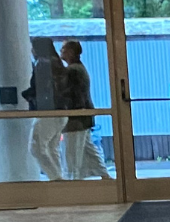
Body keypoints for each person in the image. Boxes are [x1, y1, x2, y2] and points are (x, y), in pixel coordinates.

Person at [59, 40, 112, 180]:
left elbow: (70, 95)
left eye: (63, 49)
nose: (61, 51)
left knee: (72, 154)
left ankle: (73, 182)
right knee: (88, 149)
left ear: (71, 52)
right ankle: (104, 175)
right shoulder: (79, 68)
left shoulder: (72, 71)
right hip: (83, 118)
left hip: (76, 119)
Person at [22, 37, 66, 181]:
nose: (31, 50)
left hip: (48, 112)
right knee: (52, 148)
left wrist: (28, 95)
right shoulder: (58, 64)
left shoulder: (42, 64)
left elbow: (40, 90)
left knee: (36, 147)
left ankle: (56, 178)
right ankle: (59, 178)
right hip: (62, 112)